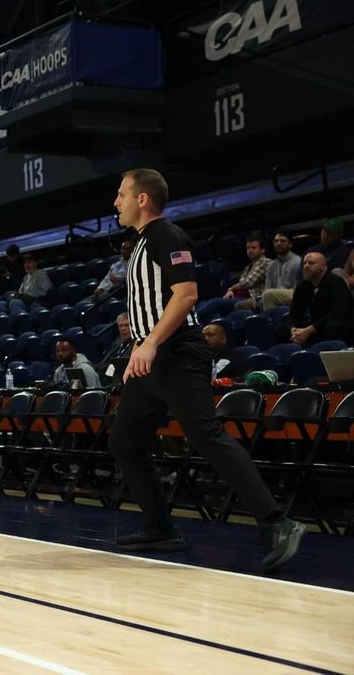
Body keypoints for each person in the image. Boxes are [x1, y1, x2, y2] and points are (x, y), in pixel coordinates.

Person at [107, 168, 302, 572]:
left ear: (142, 199)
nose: (116, 202)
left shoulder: (166, 236)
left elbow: (187, 295)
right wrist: (139, 351)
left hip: (177, 352)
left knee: (205, 434)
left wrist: (150, 343)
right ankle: (159, 527)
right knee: (125, 441)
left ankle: (277, 523)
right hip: (151, 358)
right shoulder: (141, 243)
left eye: (121, 194)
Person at [285, 252, 354, 345]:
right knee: (282, 330)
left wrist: (309, 330)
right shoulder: (303, 286)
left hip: (342, 324)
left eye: (311, 263)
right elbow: (293, 313)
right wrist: (293, 330)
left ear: (323, 267)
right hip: (317, 325)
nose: (306, 266)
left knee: (332, 326)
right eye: (304, 263)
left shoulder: (336, 282)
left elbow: (337, 313)